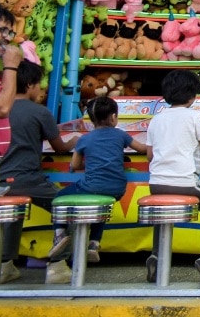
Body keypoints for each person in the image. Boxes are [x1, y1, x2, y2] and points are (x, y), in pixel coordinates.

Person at [0, 61, 78, 284]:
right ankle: (58, 265)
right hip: (30, 179)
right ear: (31, 84)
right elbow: (60, 148)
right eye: (39, 85)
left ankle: (5, 266)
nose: (41, 90)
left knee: (13, 216)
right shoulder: (40, 112)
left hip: (3, 181)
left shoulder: (1, 109)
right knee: (67, 207)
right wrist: (74, 140)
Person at [145, 69, 200, 283]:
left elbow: (150, 154)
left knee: (161, 216)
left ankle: (156, 255)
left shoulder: (156, 119)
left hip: (156, 183)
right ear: (192, 96)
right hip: (185, 181)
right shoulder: (195, 116)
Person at [49, 96, 147, 264]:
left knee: (58, 199)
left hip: (92, 186)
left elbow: (75, 164)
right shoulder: (121, 135)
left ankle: (60, 234)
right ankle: (94, 243)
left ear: (91, 120)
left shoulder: (84, 139)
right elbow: (143, 148)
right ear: (114, 117)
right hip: (117, 188)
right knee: (100, 208)